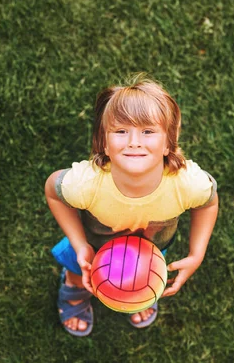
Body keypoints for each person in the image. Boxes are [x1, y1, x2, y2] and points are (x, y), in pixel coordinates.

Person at [45, 74, 219, 336]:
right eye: (121, 131)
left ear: (168, 143)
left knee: (140, 280)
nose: (134, 141)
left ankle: (137, 293)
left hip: (150, 248)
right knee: (78, 268)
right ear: (104, 142)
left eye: (147, 131)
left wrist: (197, 254)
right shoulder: (86, 184)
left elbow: (207, 203)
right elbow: (53, 191)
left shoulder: (187, 185)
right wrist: (80, 244)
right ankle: (75, 289)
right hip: (94, 244)